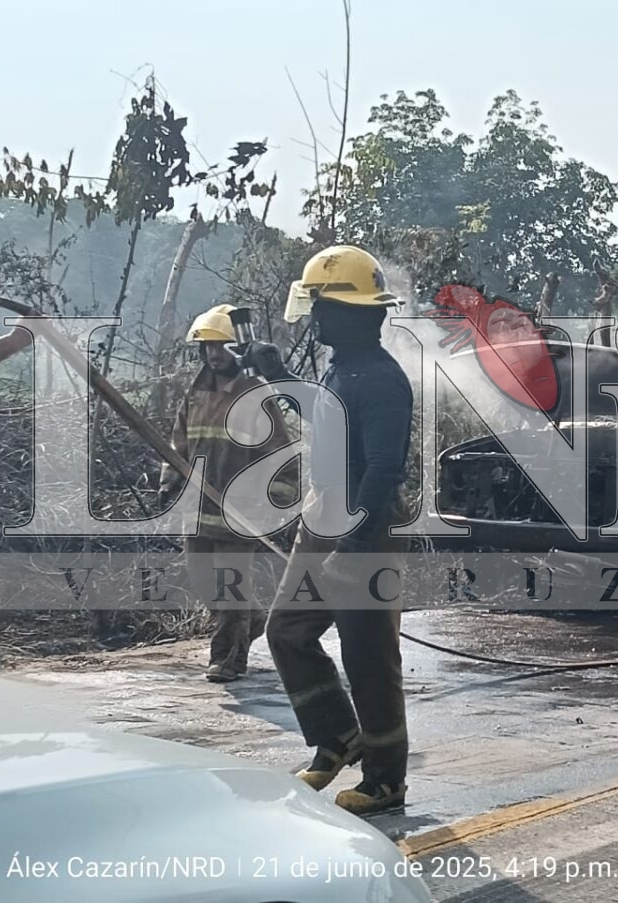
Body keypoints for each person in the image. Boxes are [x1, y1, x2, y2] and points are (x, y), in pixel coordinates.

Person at [241, 245, 413, 816]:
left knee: (367, 654)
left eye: (320, 306)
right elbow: (325, 421)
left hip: (359, 527)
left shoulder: (383, 381)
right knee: (286, 631)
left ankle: (386, 779)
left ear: (354, 313)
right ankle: (338, 737)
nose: (313, 317)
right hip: (323, 515)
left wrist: (354, 542)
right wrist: (276, 375)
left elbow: (385, 468)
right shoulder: (342, 367)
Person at [159, 304, 298, 683]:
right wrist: (168, 484)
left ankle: (227, 660)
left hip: (241, 515)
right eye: (207, 347)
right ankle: (252, 621)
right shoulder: (197, 392)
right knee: (205, 584)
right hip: (198, 511)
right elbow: (179, 443)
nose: (214, 354)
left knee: (230, 588)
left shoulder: (256, 394)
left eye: (221, 346)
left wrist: (274, 504)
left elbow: (282, 455)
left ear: (239, 348)